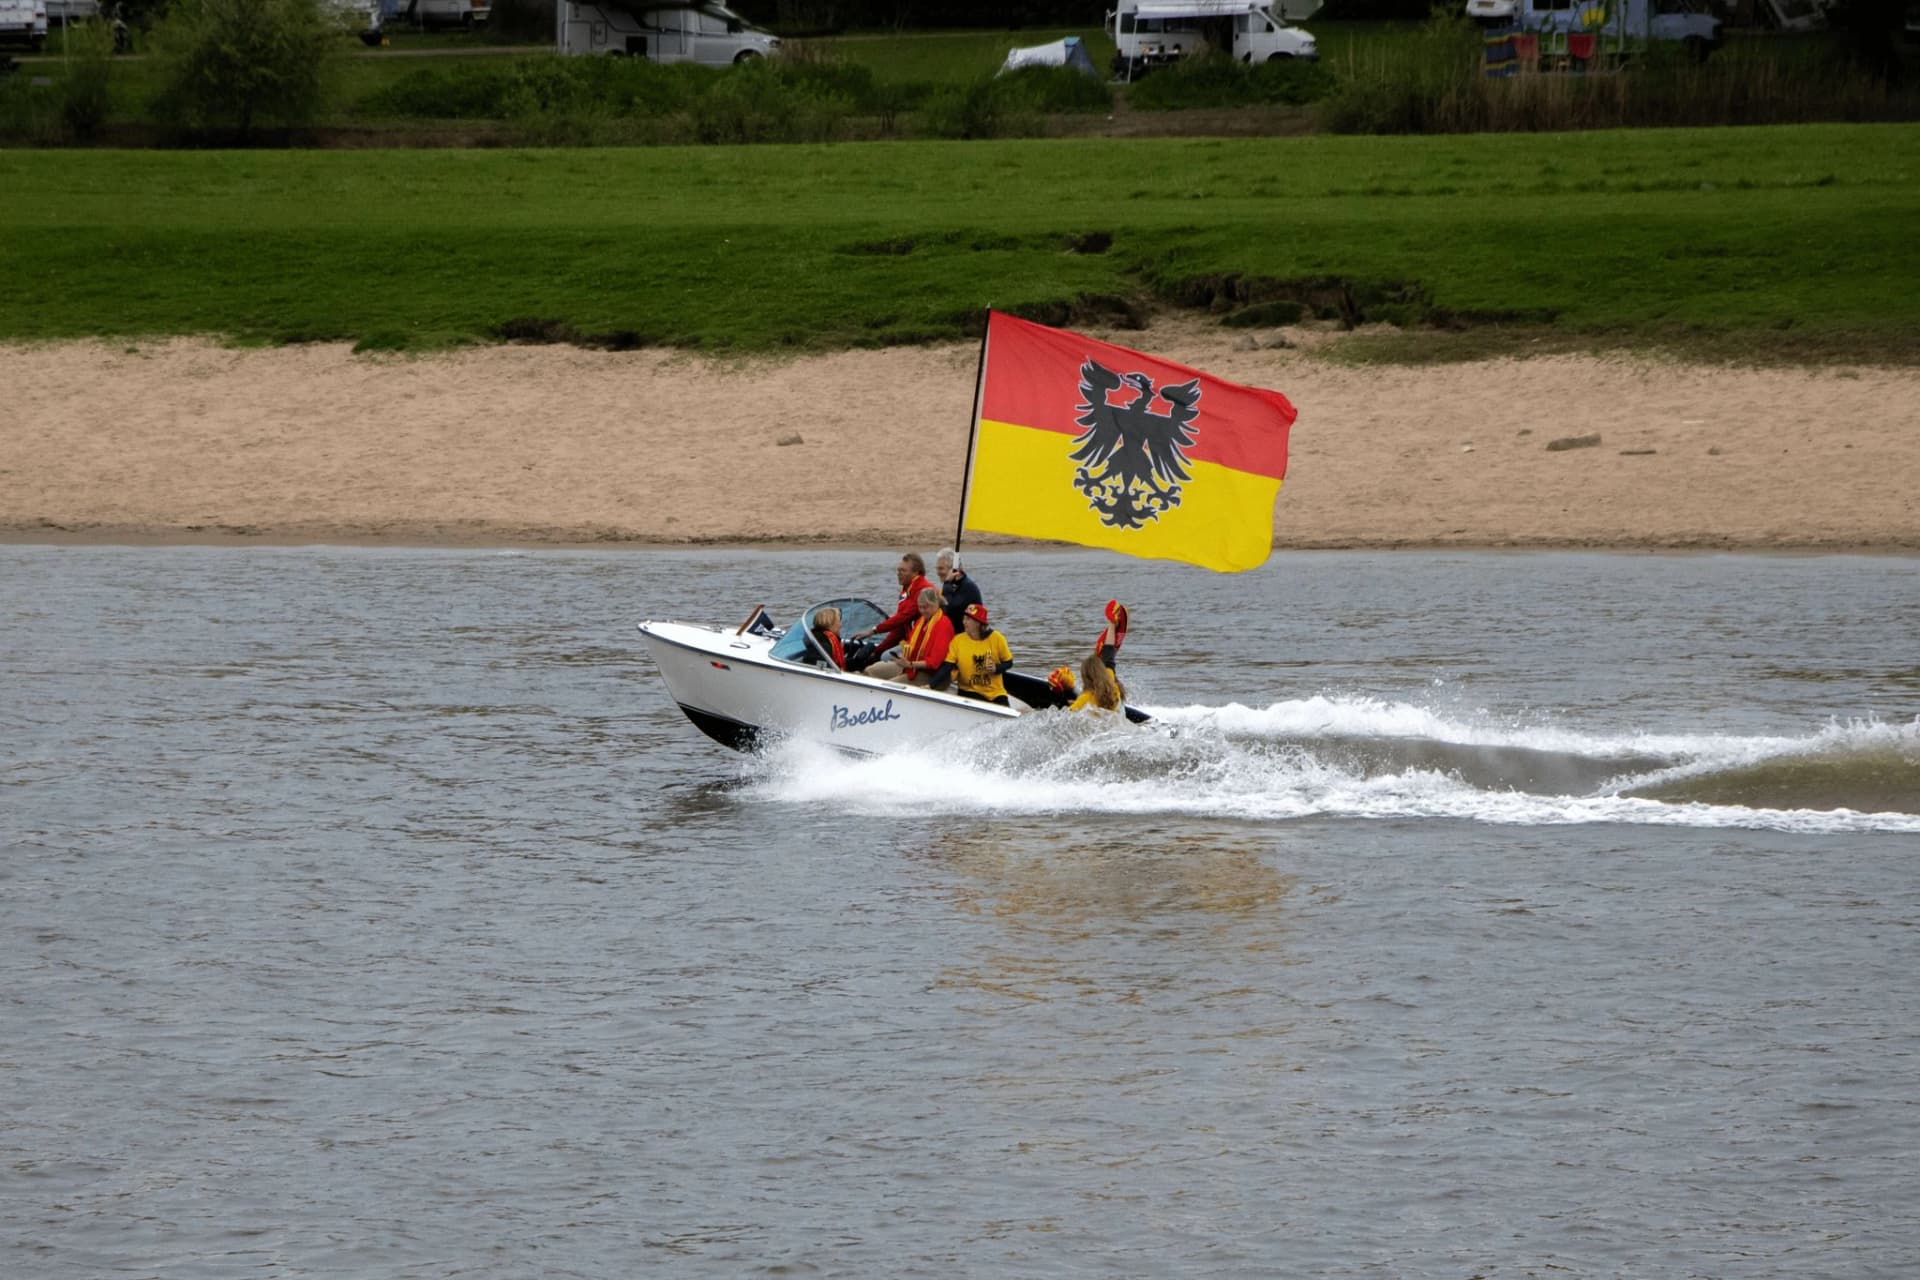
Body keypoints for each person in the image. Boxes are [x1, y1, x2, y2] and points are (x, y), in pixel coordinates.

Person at [846, 552, 933, 672]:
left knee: (885, 657)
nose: (899, 573)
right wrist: (878, 650)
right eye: (898, 570)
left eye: (903, 570)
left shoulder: (922, 590)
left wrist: (874, 630)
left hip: (924, 645)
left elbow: (903, 617)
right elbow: (899, 628)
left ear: (916, 573)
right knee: (880, 655)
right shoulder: (906, 590)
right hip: (910, 641)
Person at [865, 587, 952, 684]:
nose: (922, 611)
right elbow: (909, 644)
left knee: (890, 684)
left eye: (926, 607)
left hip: (930, 674)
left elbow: (934, 662)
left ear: (935, 604)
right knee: (870, 671)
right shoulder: (921, 621)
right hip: (909, 666)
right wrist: (902, 657)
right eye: (920, 607)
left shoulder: (944, 624)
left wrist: (910, 664)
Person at [944, 603, 1013, 706]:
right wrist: (932, 684)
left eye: (968, 619)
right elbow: (948, 665)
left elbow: (1009, 662)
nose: (964, 622)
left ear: (978, 623)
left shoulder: (997, 638)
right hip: (969, 690)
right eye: (964, 618)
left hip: (995, 693)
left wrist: (996, 668)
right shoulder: (958, 640)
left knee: (1008, 715)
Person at [934, 548, 982, 635]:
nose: (937, 572)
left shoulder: (968, 588)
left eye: (941, 568)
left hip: (969, 639)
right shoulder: (953, 586)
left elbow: (949, 608)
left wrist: (947, 583)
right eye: (937, 569)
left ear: (955, 570)